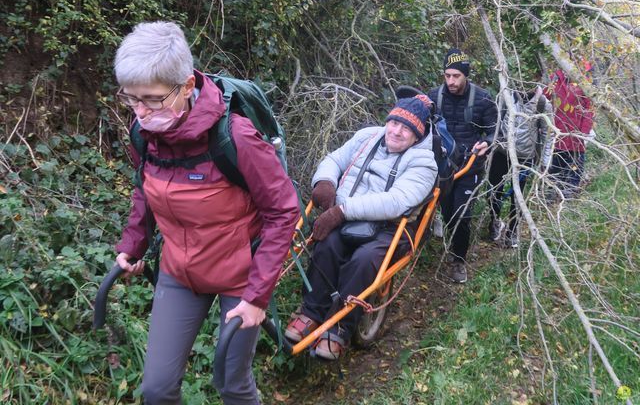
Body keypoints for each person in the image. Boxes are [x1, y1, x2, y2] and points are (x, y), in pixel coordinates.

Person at [112, 21, 299, 405]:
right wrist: (134, 245)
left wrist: (257, 296)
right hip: (179, 271)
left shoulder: (237, 136)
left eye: (151, 99)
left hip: (240, 278)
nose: (141, 112)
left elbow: (283, 212)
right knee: (157, 389)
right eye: (131, 99)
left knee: (232, 383)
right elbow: (145, 190)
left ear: (185, 86)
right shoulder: (144, 133)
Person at [285, 97, 438, 359]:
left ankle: (339, 327)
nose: (396, 132)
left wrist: (342, 211)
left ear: (417, 136)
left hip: (390, 228)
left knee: (363, 261)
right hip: (346, 218)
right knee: (327, 245)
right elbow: (334, 159)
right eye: (394, 123)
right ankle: (311, 311)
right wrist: (325, 182)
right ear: (387, 121)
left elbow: (396, 202)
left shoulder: (424, 163)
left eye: (406, 129)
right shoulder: (367, 137)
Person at [427, 49, 497, 284]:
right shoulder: (434, 97)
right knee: (448, 214)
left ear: (465, 75)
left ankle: (459, 261)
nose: (451, 81)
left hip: (469, 166)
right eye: (447, 76)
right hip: (442, 168)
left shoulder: (483, 98)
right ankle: (451, 239)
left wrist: (486, 143)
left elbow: (495, 129)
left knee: (462, 215)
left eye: (456, 76)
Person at [487, 85, 552, 248]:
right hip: (502, 151)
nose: (524, 84)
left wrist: (544, 163)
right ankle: (494, 221)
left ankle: (512, 231)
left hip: (526, 157)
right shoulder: (506, 95)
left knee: (519, 197)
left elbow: (547, 135)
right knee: (494, 190)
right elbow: (495, 123)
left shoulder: (543, 104)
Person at [544, 62, 595, 199]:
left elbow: (589, 111)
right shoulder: (556, 78)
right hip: (558, 132)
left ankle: (570, 195)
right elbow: (546, 95)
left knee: (575, 165)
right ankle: (551, 194)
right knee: (556, 165)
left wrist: (583, 133)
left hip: (576, 133)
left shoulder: (584, 82)